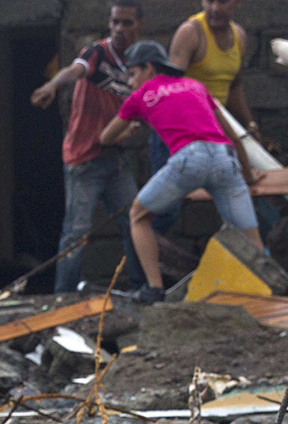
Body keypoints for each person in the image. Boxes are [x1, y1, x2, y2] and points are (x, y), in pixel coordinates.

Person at [99, 40, 260, 303]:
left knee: (138, 216)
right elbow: (232, 134)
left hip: (190, 158)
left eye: (132, 74)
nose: (129, 82)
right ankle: (265, 292)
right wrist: (250, 176)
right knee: (250, 235)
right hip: (224, 157)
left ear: (148, 68)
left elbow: (106, 137)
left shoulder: (140, 97)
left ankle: (153, 289)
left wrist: (129, 130)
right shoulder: (196, 86)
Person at [29, 0, 146, 297]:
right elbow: (75, 70)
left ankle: (142, 289)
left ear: (139, 26)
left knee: (136, 221)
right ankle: (63, 299)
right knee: (76, 234)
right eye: (114, 21)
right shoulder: (97, 53)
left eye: (127, 22)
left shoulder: (139, 66)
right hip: (84, 160)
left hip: (116, 160)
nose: (119, 28)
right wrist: (53, 86)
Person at [169, 0, 260, 142]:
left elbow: (234, 87)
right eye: (210, 1)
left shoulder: (239, 36)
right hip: (184, 129)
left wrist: (250, 124)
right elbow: (171, 87)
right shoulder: (191, 33)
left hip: (217, 127)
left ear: (238, 2)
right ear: (202, 0)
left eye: (223, 1)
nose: (215, 8)